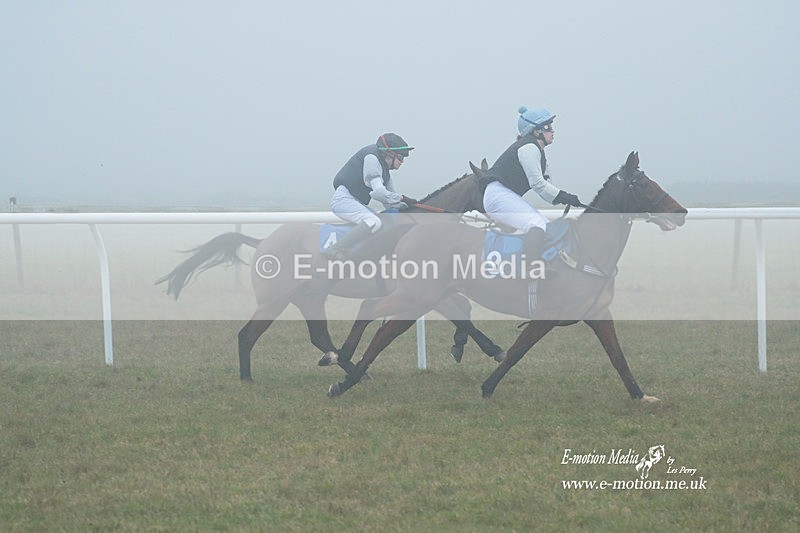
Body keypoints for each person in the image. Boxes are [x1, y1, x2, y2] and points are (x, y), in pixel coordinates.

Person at [480, 106, 583, 260]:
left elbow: (546, 189)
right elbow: (538, 185)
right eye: (548, 127)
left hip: (505, 194)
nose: (552, 131)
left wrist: (563, 198)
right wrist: (564, 196)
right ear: (536, 132)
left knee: (545, 227)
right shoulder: (528, 148)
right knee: (537, 225)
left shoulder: (539, 153)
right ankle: (530, 268)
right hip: (497, 195)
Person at [325, 133, 417, 260]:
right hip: (343, 200)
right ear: (389, 154)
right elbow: (379, 193)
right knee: (373, 222)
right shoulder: (372, 158)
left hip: (355, 202)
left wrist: (409, 206)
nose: (402, 162)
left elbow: (390, 202)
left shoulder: (386, 173)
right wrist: (401, 198)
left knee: (384, 222)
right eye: (400, 158)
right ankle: (336, 248)